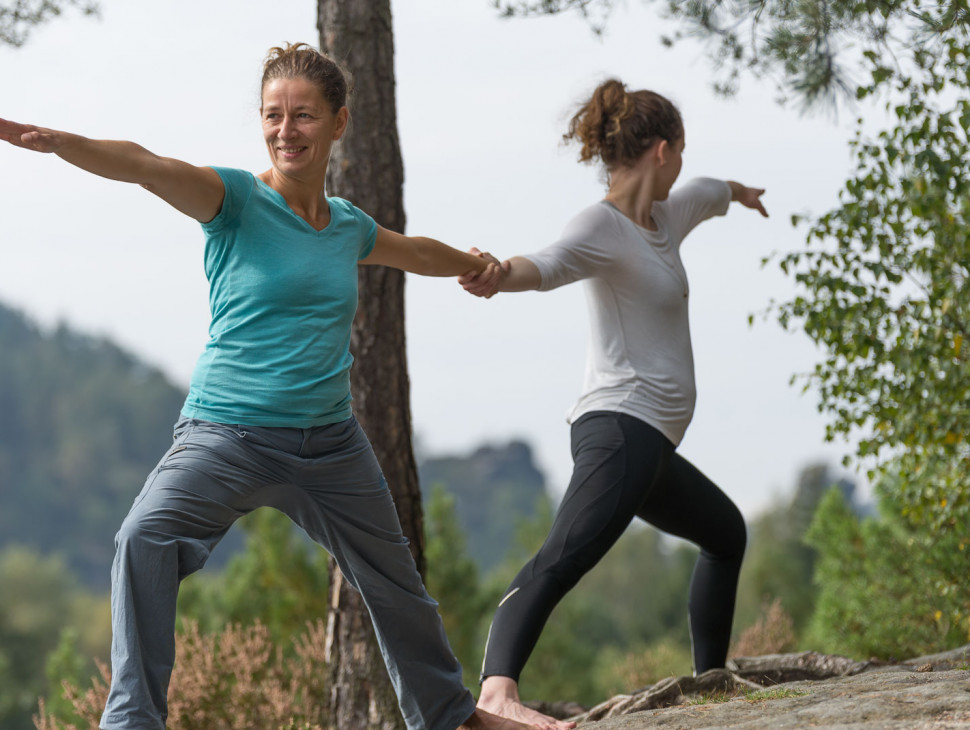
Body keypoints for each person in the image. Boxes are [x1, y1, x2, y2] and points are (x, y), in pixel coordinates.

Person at [0, 43, 530, 730]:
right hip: (227, 434)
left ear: (339, 123)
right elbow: (145, 166)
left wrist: (477, 264)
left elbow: (415, 251)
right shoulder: (235, 200)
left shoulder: (345, 226)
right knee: (143, 539)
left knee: (396, 585)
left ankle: (450, 716)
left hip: (331, 445)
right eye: (274, 116)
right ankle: (131, 721)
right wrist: (59, 143)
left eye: (304, 116)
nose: (287, 131)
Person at [460, 78, 768, 730]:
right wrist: (494, 275)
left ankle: (710, 682)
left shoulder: (667, 214)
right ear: (661, 149)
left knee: (724, 534)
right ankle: (495, 695)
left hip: (652, 447)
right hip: (621, 430)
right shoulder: (600, 225)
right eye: (680, 152)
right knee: (563, 555)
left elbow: (711, 191)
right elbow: (544, 264)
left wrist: (741, 194)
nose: (683, 165)